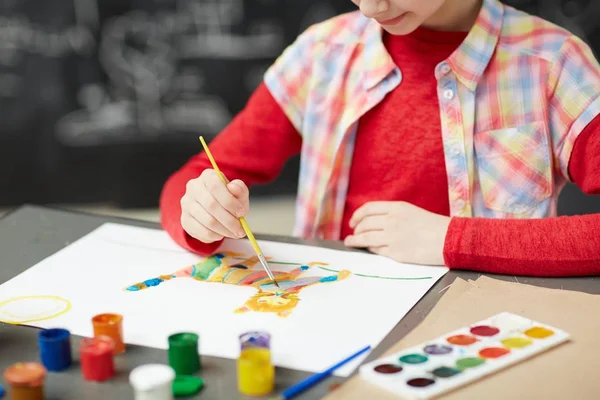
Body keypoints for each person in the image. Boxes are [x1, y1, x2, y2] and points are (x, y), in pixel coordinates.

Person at [160, 0, 600, 277]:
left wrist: (453, 240)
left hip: (484, 335)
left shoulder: (553, 64)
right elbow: (199, 174)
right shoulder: (322, 53)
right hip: (333, 325)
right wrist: (200, 214)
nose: (370, 5)